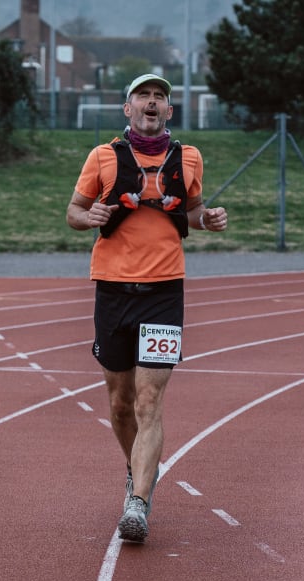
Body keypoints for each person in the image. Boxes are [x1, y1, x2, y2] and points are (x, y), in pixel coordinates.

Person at [65, 73, 229, 543]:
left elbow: (192, 213)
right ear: (128, 108)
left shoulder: (189, 157)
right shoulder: (103, 157)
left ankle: (138, 501)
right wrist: (90, 217)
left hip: (164, 292)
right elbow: (73, 213)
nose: (151, 103)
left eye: (160, 97)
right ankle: (136, 468)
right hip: (113, 289)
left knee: (149, 400)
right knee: (120, 405)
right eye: (143, 96)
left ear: (169, 111)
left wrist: (208, 219)